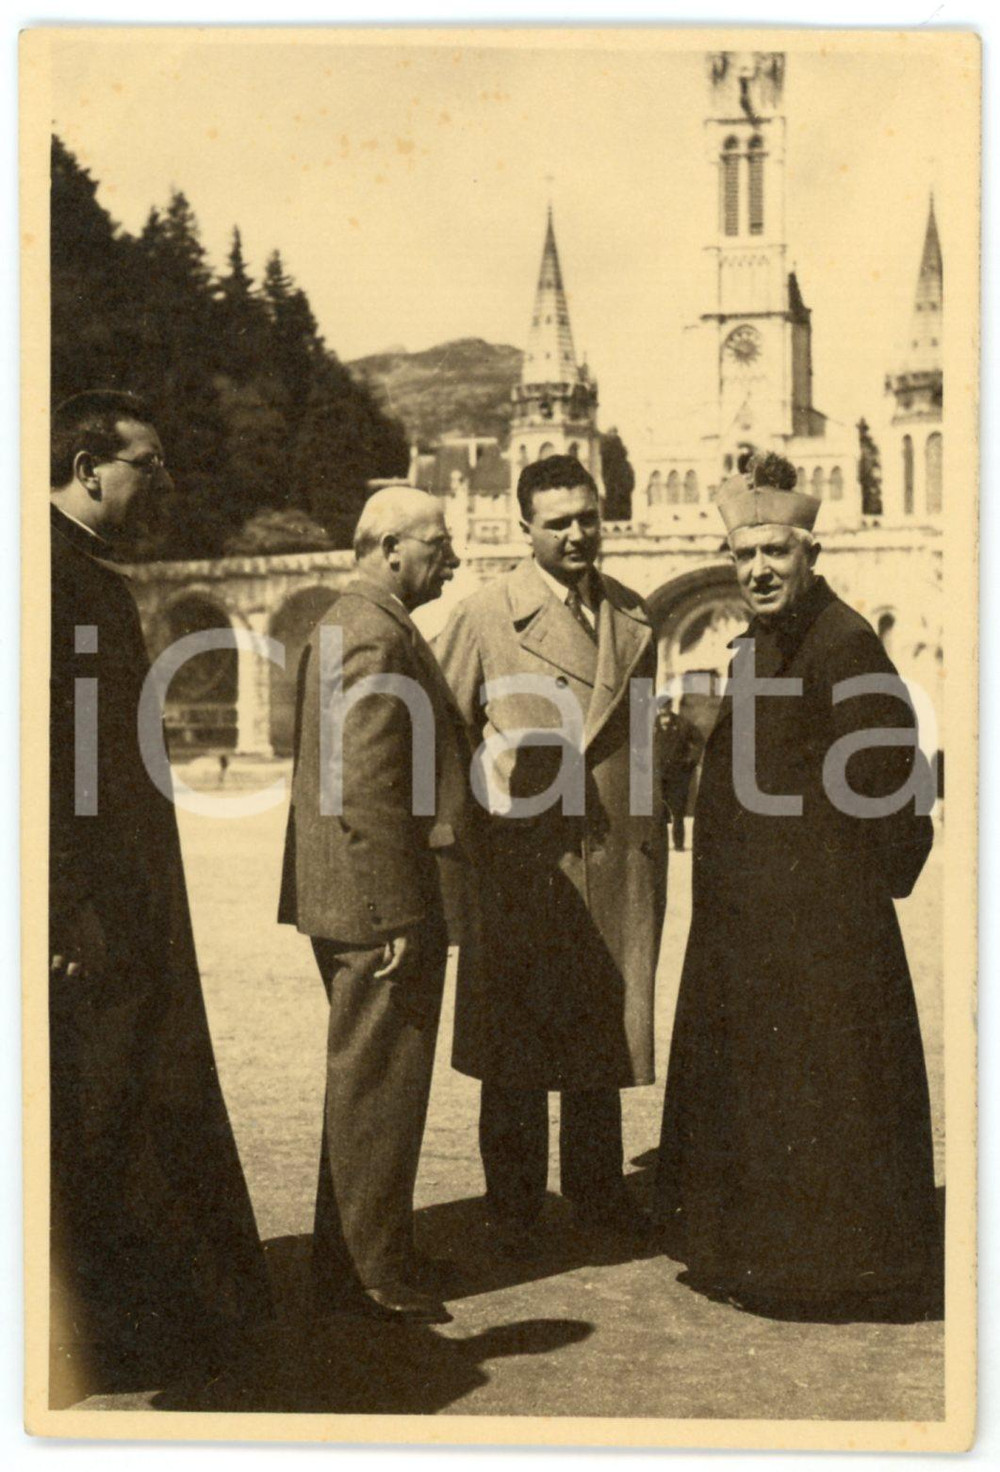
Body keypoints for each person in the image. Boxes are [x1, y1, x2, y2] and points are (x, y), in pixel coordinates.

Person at [653, 450, 939, 1319]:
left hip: (822, 930)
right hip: (753, 926)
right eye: (743, 557)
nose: (758, 571)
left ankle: (826, 1272)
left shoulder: (845, 641)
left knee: (821, 1092)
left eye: (776, 553)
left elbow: (889, 776)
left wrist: (855, 885)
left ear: (810, 552)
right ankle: (755, 1257)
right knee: (761, 1088)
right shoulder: (761, 644)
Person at [48, 391, 272, 1391]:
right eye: (147, 461)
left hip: (120, 889)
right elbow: (43, 764)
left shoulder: (80, 573)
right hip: (91, 904)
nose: (160, 482)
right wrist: (54, 907)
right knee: (104, 1105)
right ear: (90, 462)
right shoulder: (49, 578)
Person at [434, 454, 667, 1254]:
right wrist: (481, 818)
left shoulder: (635, 615)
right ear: (524, 526)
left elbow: (636, 737)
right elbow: (439, 727)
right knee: (521, 1042)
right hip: (529, 864)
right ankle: (515, 1206)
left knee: (600, 1032)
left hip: (616, 854)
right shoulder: (487, 614)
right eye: (558, 521)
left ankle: (599, 1194)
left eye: (587, 517)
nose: (576, 534)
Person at [278, 485, 470, 1324]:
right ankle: (368, 1275)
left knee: (369, 1082)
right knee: (380, 1085)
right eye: (439, 544)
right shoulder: (374, 633)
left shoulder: (348, 620)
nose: (451, 559)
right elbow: (365, 780)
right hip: (376, 904)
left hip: (352, 895)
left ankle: (359, 1250)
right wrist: (398, 911)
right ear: (392, 547)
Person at [655, 698, 705, 852]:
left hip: (678, 775)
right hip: (657, 776)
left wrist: (691, 761)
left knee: (678, 811)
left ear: (670, 706)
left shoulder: (683, 724)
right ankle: (659, 845)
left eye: (666, 705)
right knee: (657, 811)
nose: (664, 709)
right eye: (661, 706)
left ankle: (678, 844)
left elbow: (699, 741)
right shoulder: (650, 725)